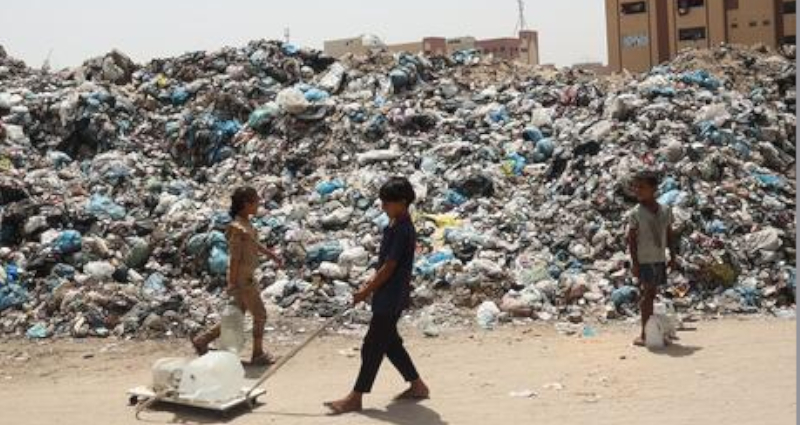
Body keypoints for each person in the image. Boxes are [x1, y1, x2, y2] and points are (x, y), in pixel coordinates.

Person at [325, 177, 430, 415]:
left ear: (402, 202)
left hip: (391, 296)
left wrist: (366, 290)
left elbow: (390, 267)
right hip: (387, 293)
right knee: (390, 343)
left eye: (387, 202)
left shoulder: (403, 229)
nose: (383, 206)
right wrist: (371, 286)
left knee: (372, 347)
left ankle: (355, 397)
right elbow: (384, 264)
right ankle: (417, 385)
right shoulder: (394, 225)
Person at [191, 186, 283, 365]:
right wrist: (232, 283)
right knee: (260, 315)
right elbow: (234, 259)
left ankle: (202, 340)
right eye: (255, 201)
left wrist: (271, 255)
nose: (258, 204)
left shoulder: (246, 225)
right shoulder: (237, 229)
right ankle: (257, 354)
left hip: (246, 277)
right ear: (245, 204)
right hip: (243, 280)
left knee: (236, 315)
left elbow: (255, 244)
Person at [627, 171, 679, 347]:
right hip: (644, 260)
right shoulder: (636, 213)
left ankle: (650, 331)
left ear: (654, 189)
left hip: (659, 258)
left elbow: (670, 234)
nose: (638, 191)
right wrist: (635, 264)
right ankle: (645, 333)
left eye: (642, 187)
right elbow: (631, 240)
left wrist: (672, 255)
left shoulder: (665, 211)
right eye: (636, 188)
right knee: (648, 295)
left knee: (651, 293)